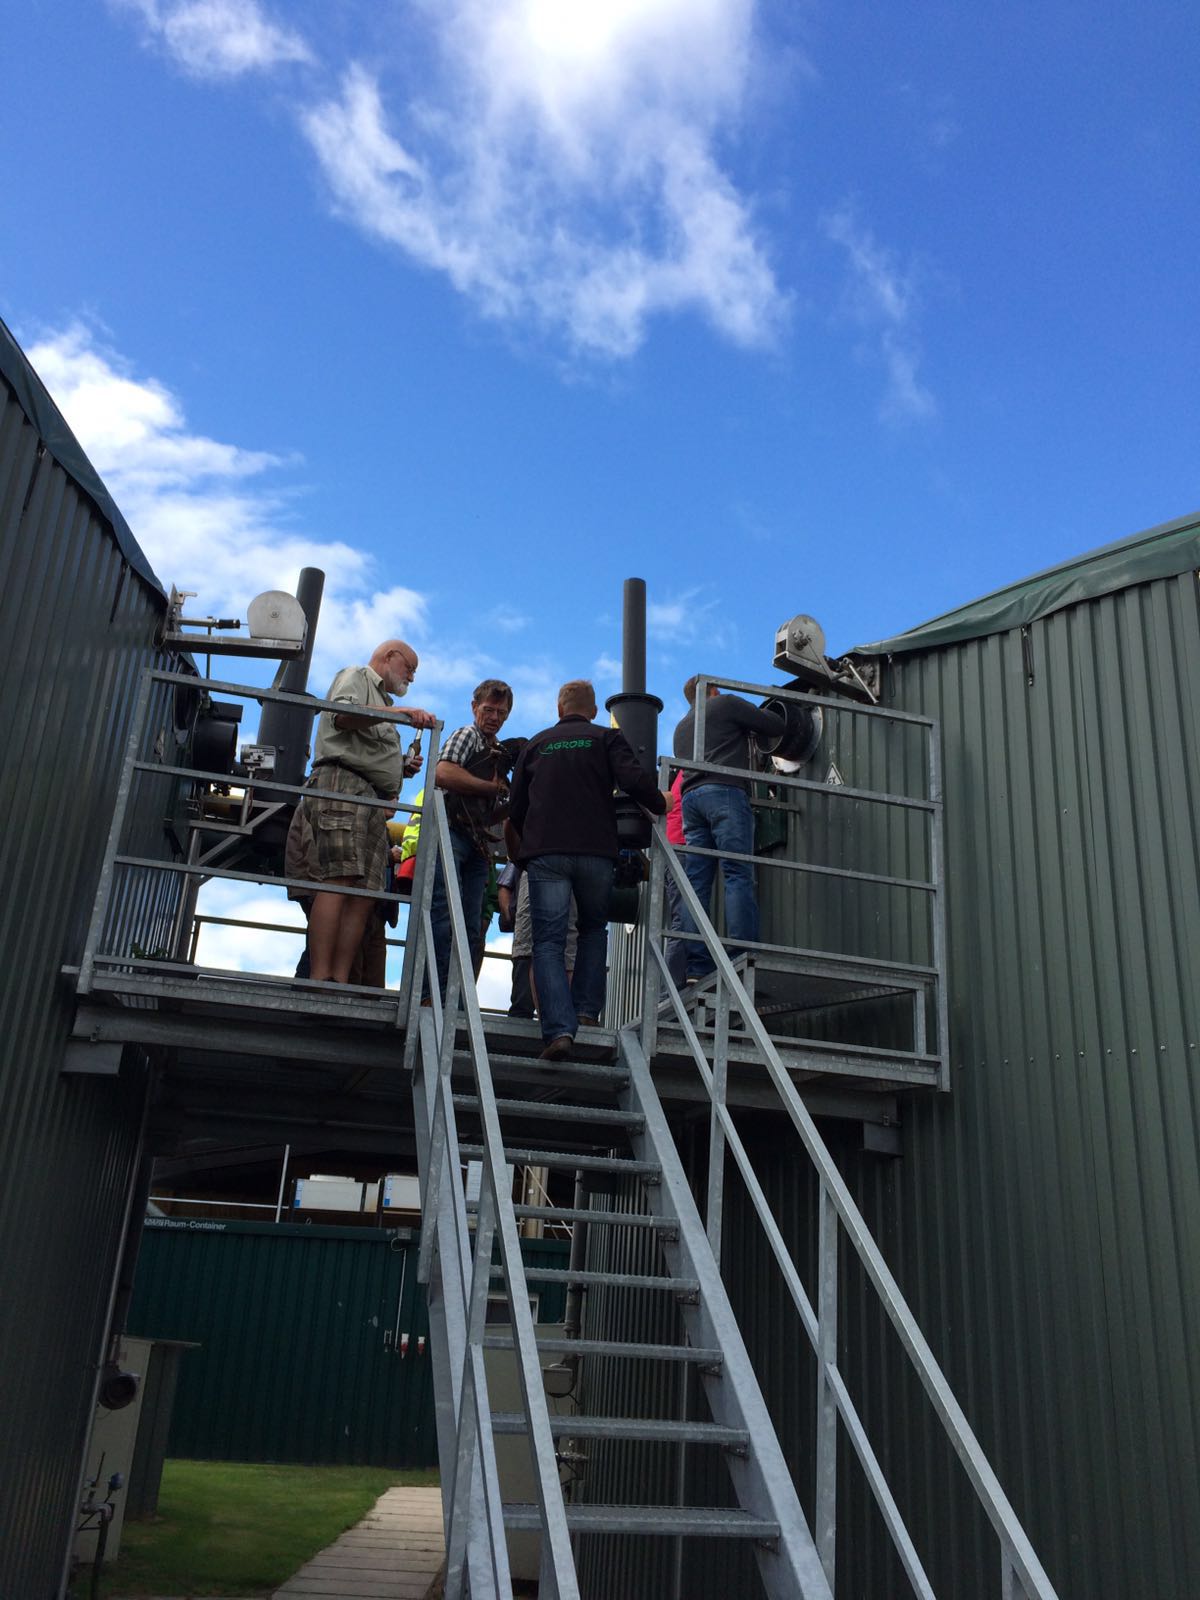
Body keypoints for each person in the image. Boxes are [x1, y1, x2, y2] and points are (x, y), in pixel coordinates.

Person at [506, 680, 669, 1060]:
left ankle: (558, 1031)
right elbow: (633, 780)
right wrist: (660, 803)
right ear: (594, 711)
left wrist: (524, 853)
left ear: (559, 709)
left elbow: (515, 810)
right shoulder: (605, 738)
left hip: (546, 853)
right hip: (596, 851)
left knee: (548, 942)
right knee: (593, 931)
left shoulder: (536, 744)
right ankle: (586, 1012)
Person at [286, 640, 435, 984]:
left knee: (364, 894)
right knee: (339, 879)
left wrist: (399, 768)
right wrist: (401, 713)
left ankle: (339, 980)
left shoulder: (382, 702)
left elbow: (363, 748)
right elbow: (343, 715)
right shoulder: (357, 675)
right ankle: (321, 978)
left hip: (370, 798)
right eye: (410, 668)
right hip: (342, 785)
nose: (411, 677)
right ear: (390, 656)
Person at [671, 674, 785, 981]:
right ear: (714, 689)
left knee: (696, 885)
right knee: (737, 872)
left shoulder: (681, 728)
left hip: (691, 801)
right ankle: (741, 953)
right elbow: (773, 725)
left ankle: (696, 966)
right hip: (724, 791)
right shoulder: (725, 704)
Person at [429, 679, 514, 989]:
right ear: (474, 707)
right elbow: (442, 773)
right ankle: (432, 992)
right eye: (488, 710)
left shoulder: (499, 751)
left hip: (476, 842)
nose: (494, 717)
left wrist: (513, 803)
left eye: (501, 713)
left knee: (470, 924)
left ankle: (452, 994)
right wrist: (492, 788)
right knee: (443, 914)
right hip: (452, 832)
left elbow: (486, 814)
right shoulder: (467, 735)